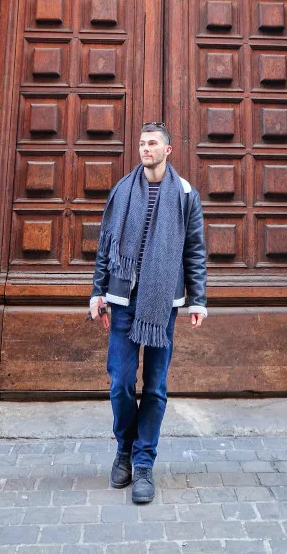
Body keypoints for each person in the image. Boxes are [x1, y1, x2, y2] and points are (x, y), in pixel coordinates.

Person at [89, 122, 207, 504]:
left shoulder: (186, 194)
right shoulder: (122, 191)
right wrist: (97, 293)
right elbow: (106, 247)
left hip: (162, 305)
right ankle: (124, 448)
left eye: (152, 143)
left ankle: (143, 464)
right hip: (123, 301)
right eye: (141, 143)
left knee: (154, 388)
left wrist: (198, 298)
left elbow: (194, 251)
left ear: (168, 150)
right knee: (121, 382)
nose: (145, 149)